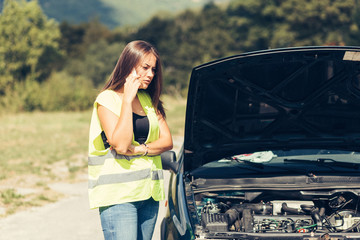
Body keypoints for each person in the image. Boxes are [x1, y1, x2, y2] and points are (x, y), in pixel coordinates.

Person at [87, 40, 173, 240]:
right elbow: (121, 144)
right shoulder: (106, 100)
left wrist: (140, 149)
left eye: (153, 69)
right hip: (120, 196)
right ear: (129, 64)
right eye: (145, 67)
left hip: (149, 194)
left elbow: (167, 141)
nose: (151, 74)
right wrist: (127, 99)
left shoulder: (148, 101)